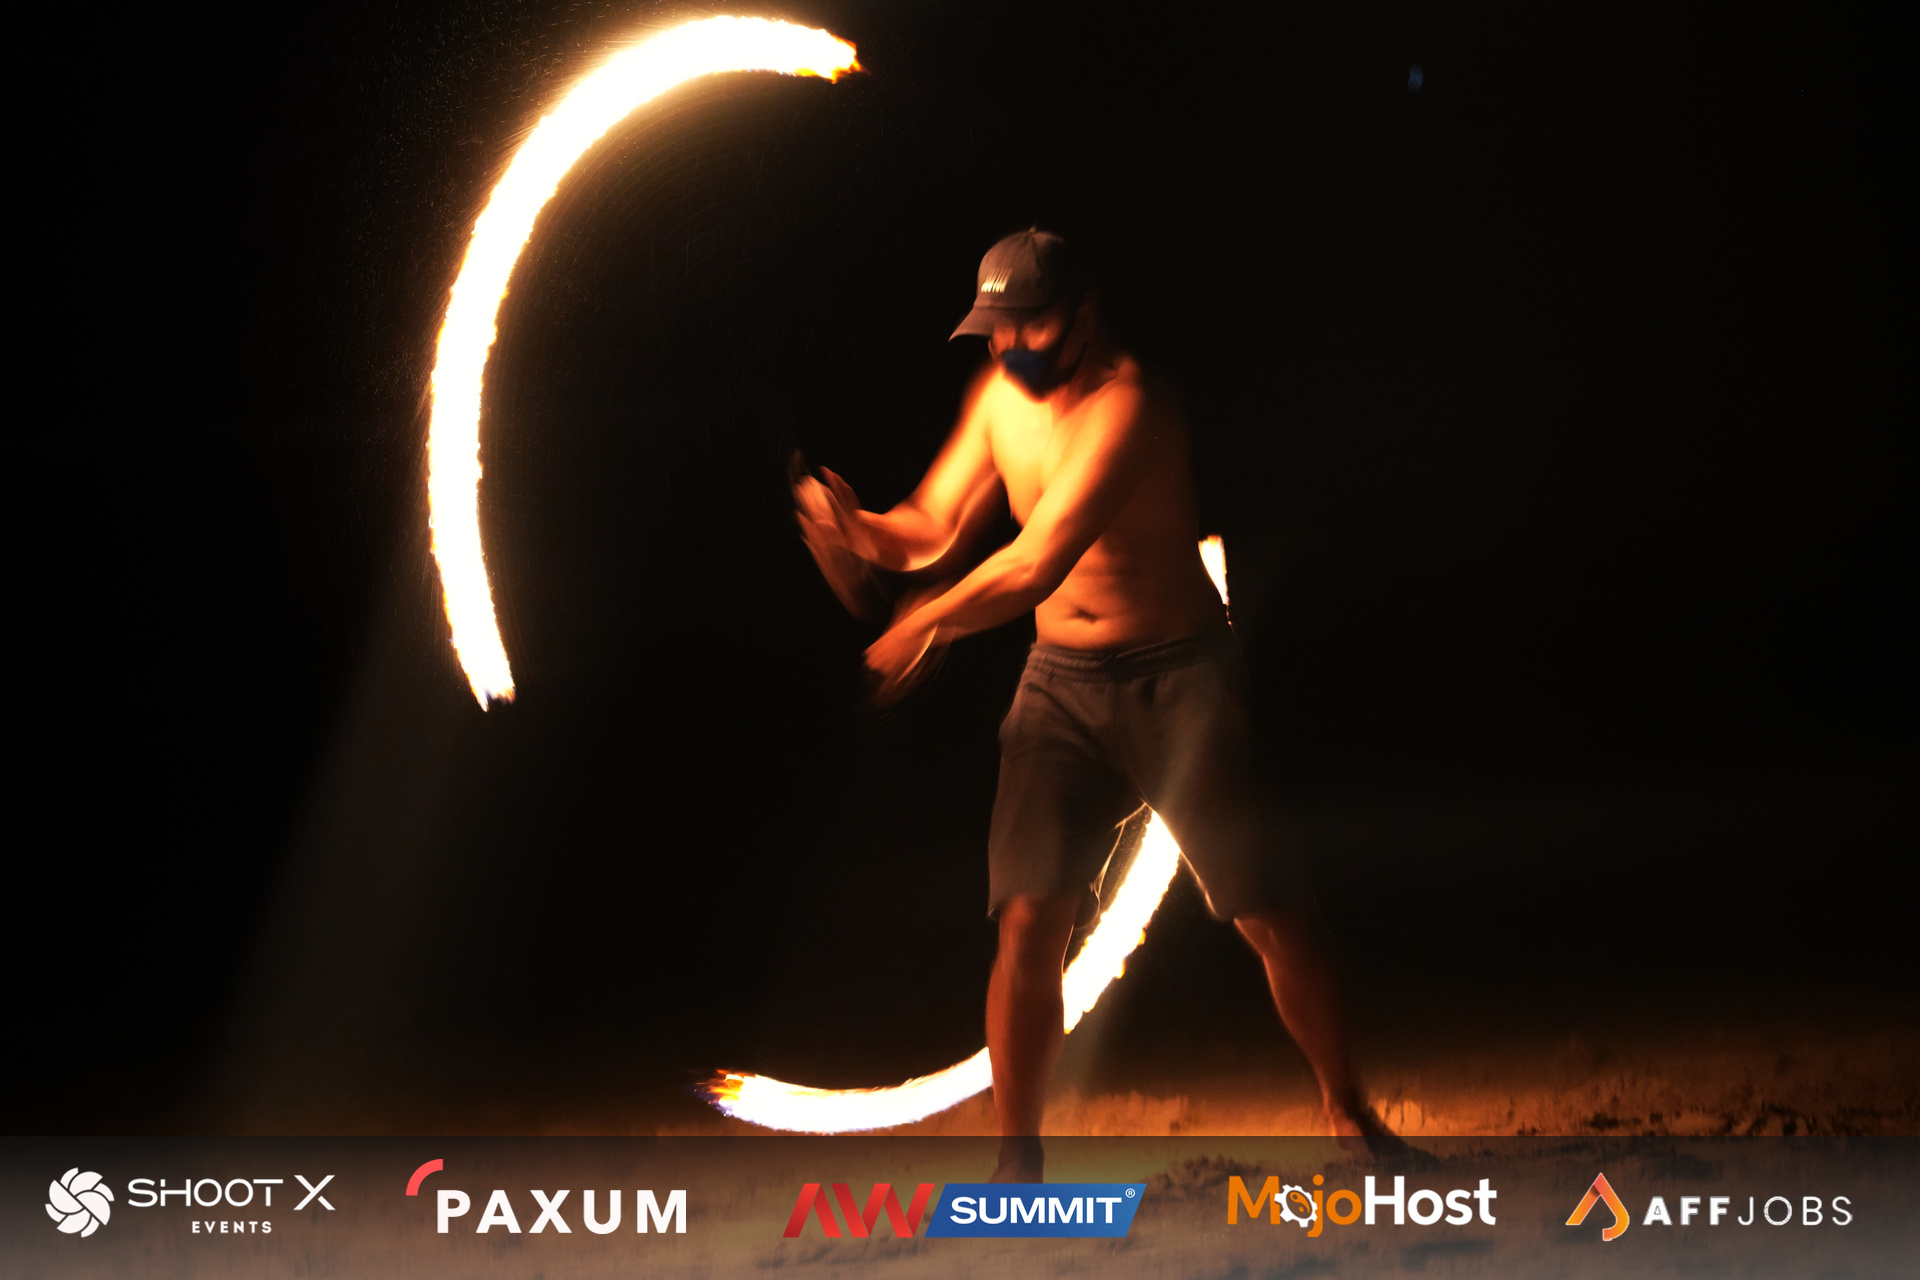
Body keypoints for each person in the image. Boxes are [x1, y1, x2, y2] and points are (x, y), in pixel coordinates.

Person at [794, 230, 1396, 1181]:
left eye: (1028, 326)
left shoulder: (1133, 407)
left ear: (1084, 314)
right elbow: (933, 526)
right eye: (994, 331)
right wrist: (861, 532)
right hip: (1061, 688)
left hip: (1179, 682)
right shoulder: (999, 397)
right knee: (1028, 920)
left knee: (1271, 914)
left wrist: (930, 624)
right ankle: (1017, 1161)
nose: (1008, 348)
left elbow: (1037, 561)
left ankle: (1347, 1113)